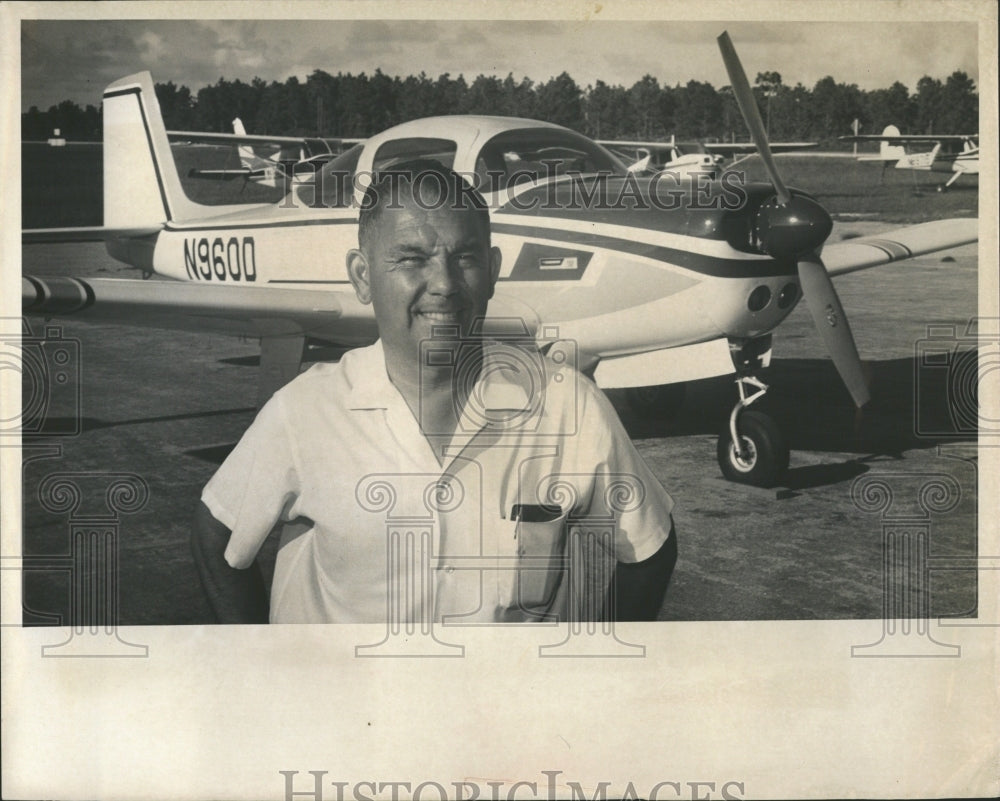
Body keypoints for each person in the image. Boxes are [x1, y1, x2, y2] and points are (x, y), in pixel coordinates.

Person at [192, 160, 677, 624]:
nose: (444, 284)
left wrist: (599, 673)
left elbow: (650, 547)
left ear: (491, 271)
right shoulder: (304, 412)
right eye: (412, 259)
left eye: (464, 258)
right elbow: (216, 536)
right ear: (362, 277)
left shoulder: (569, 408)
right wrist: (261, 665)